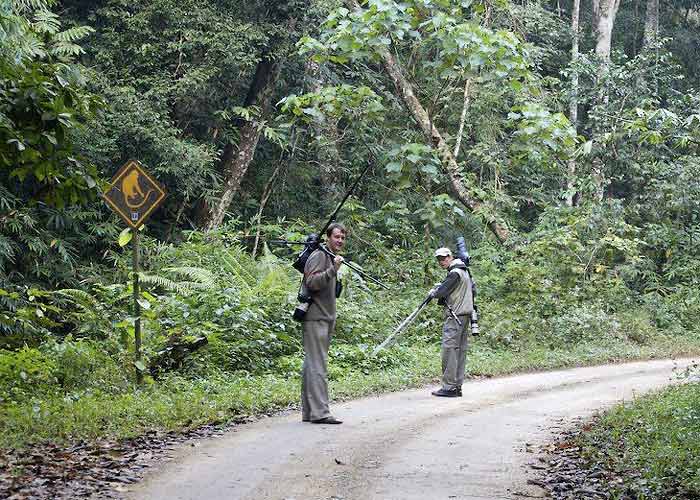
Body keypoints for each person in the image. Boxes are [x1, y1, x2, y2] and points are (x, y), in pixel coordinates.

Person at [300, 223, 346, 424]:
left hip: (325, 317)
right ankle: (321, 413)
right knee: (318, 365)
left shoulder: (328, 256)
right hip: (316, 317)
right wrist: (332, 270)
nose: (340, 241)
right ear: (328, 237)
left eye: (343, 238)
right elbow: (312, 282)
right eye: (336, 236)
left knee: (312, 363)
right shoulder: (319, 255)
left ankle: (310, 412)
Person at [429, 247, 473, 397]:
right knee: (459, 351)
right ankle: (457, 386)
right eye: (439, 259)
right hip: (465, 316)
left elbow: (441, 292)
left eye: (444, 258)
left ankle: (449, 387)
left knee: (449, 351)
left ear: (451, 256)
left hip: (455, 317)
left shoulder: (454, 273)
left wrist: (434, 292)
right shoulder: (465, 270)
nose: (442, 261)